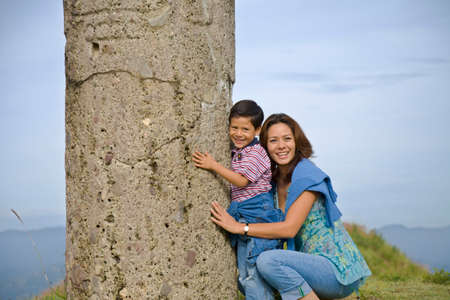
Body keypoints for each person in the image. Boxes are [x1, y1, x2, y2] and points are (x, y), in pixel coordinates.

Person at [210, 113, 371, 300]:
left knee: (267, 261)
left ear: (296, 141)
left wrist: (240, 228)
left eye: (287, 139)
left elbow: (289, 229)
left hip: (335, 271)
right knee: (249, 278)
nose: (281, 146)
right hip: (304, 267)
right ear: (265, 146)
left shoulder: (307, 176)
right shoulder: (272, 181)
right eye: (273, 141)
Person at [192, 100, 284, 300]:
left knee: (252, 275)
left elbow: (242, 181)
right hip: (244, 215)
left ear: (257, 130)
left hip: (258, 214)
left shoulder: (257, 153)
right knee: (244, 276)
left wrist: (213, 165)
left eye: (245, 129)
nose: (238, 134)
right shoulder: (241, 150)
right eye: (234, 127)